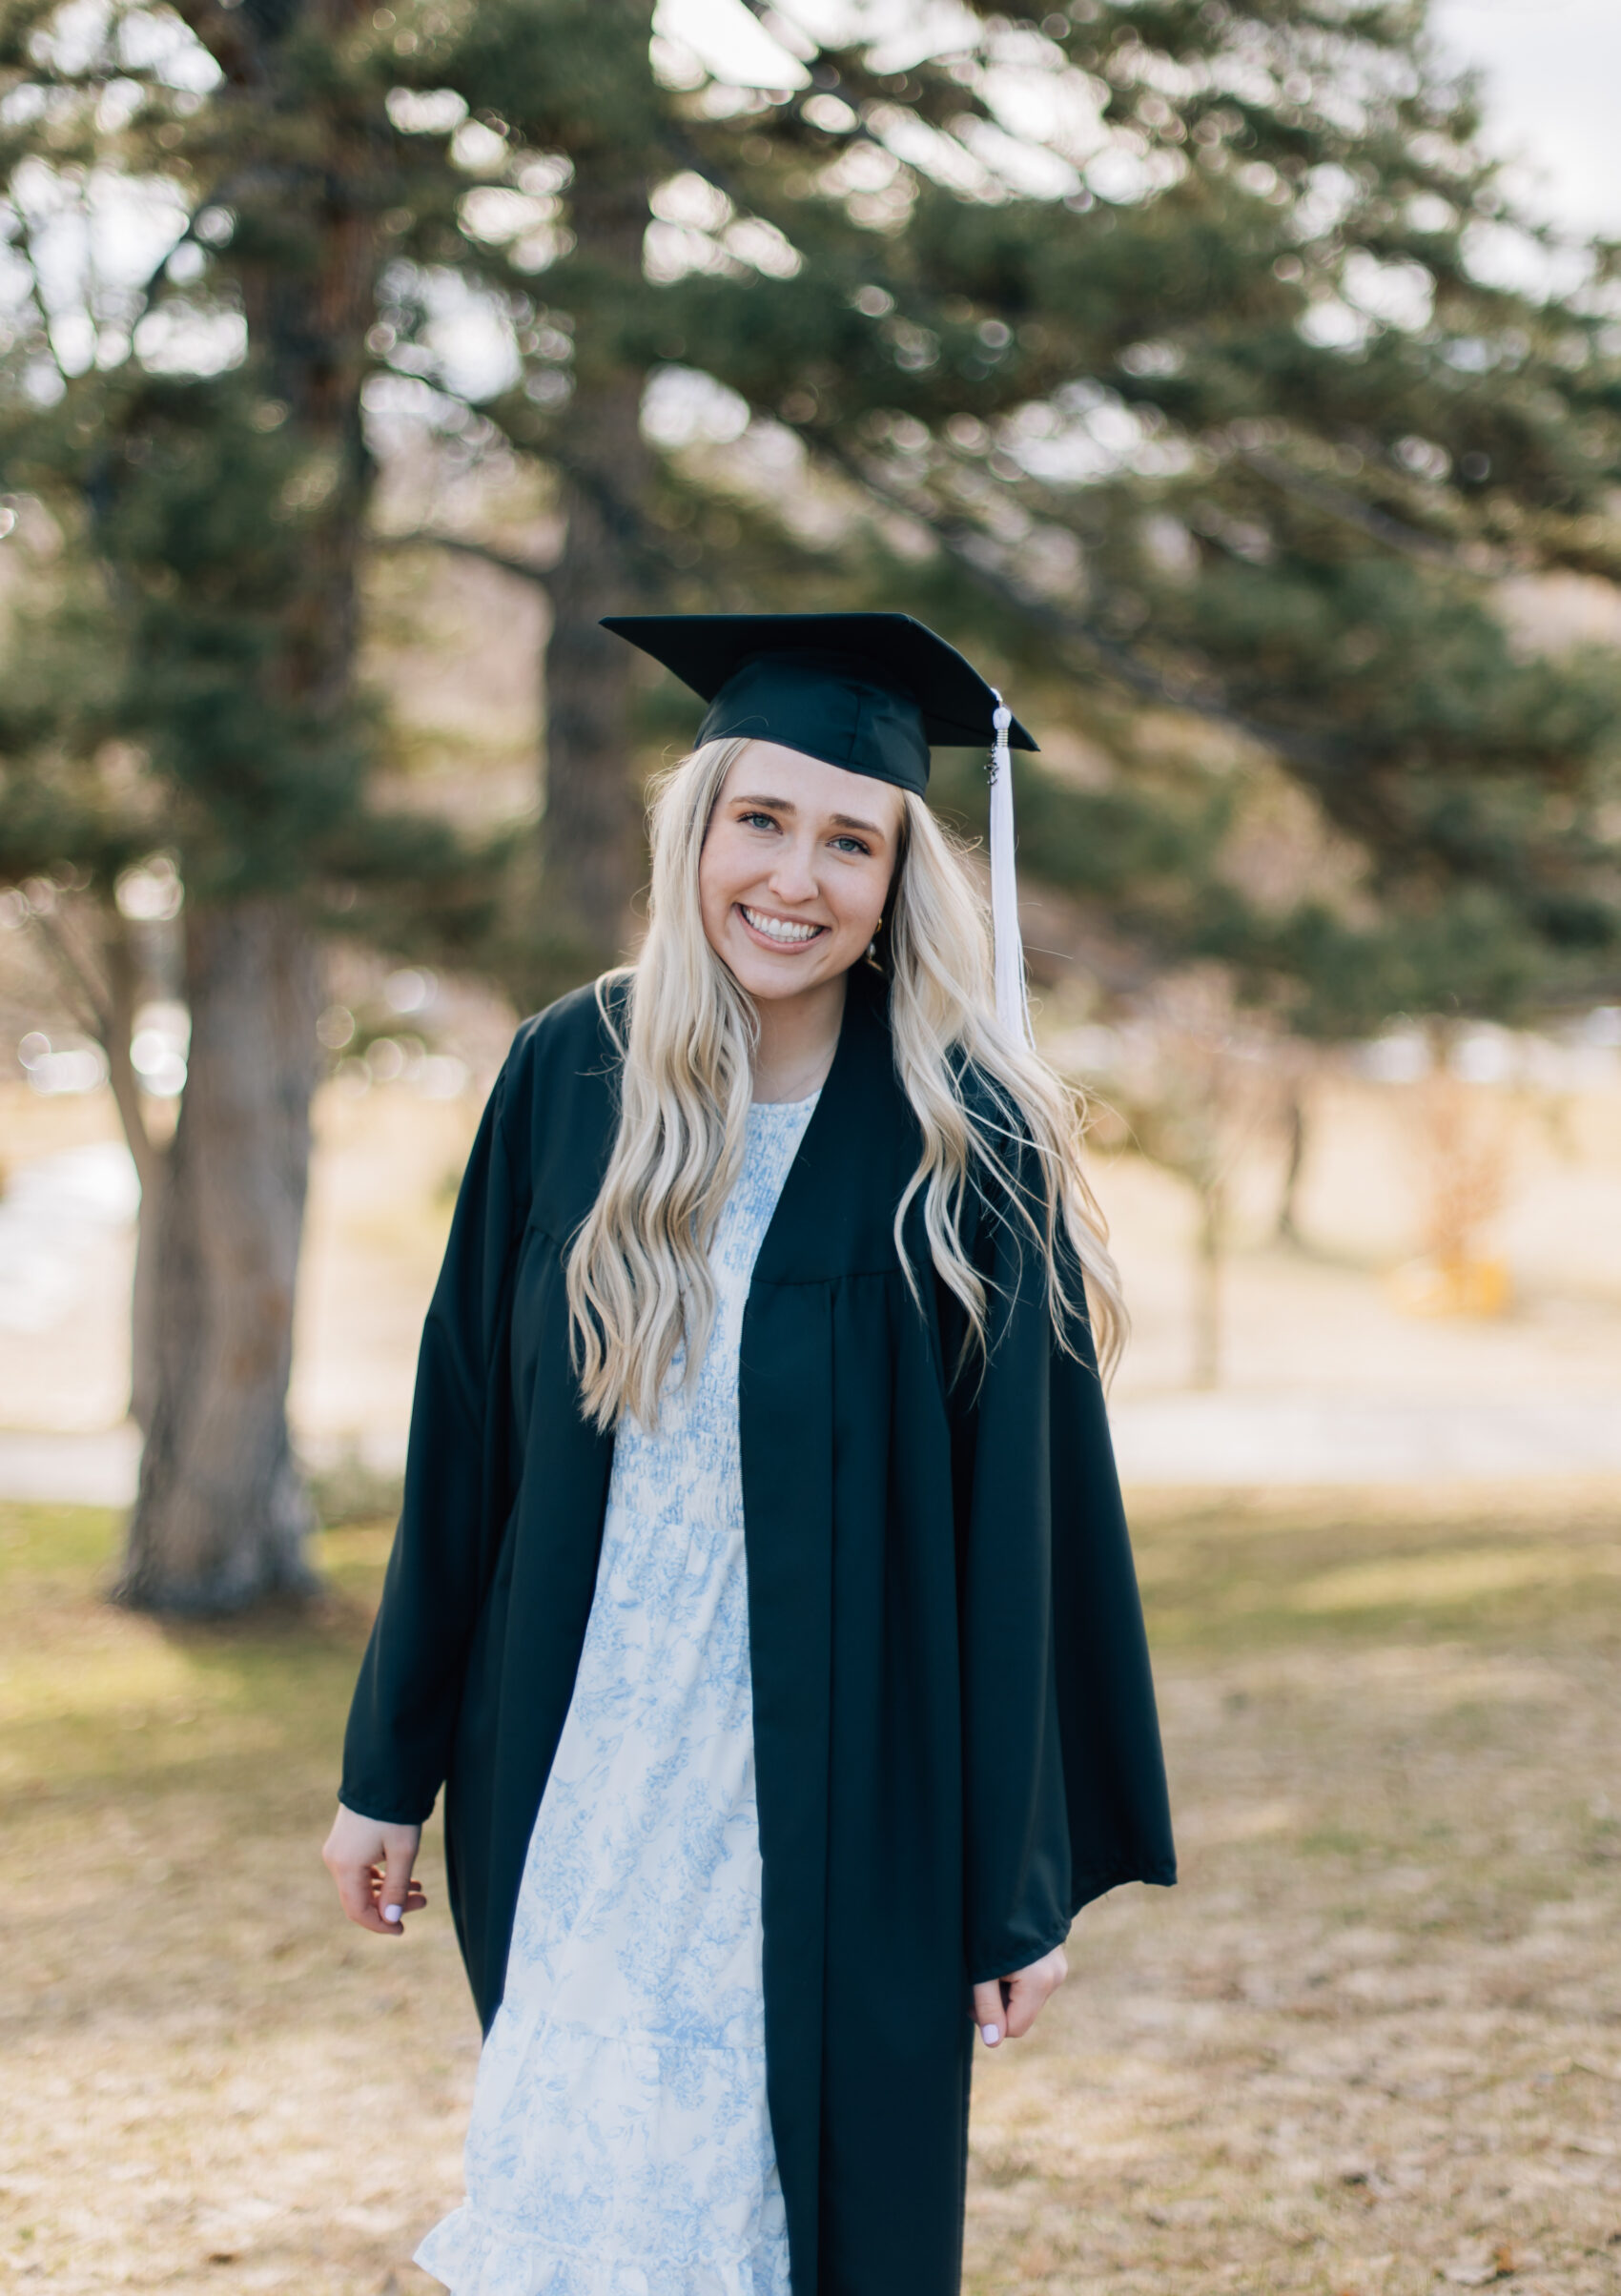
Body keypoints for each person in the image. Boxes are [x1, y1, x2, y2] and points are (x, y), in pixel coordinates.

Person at [324, 613, 1176, 2296]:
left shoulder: (963, 1135)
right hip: (579, 1762)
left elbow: (1032, 1529)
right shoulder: (570, 1074)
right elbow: (464, 1443)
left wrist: (1019, 1882)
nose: (795, 878)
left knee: (798, 2217)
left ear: (897, 876)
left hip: (850, 1778)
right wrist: (385, 1767)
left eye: (850, 839)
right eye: (760, 822)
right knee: (588, 2194)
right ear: (694, 830)